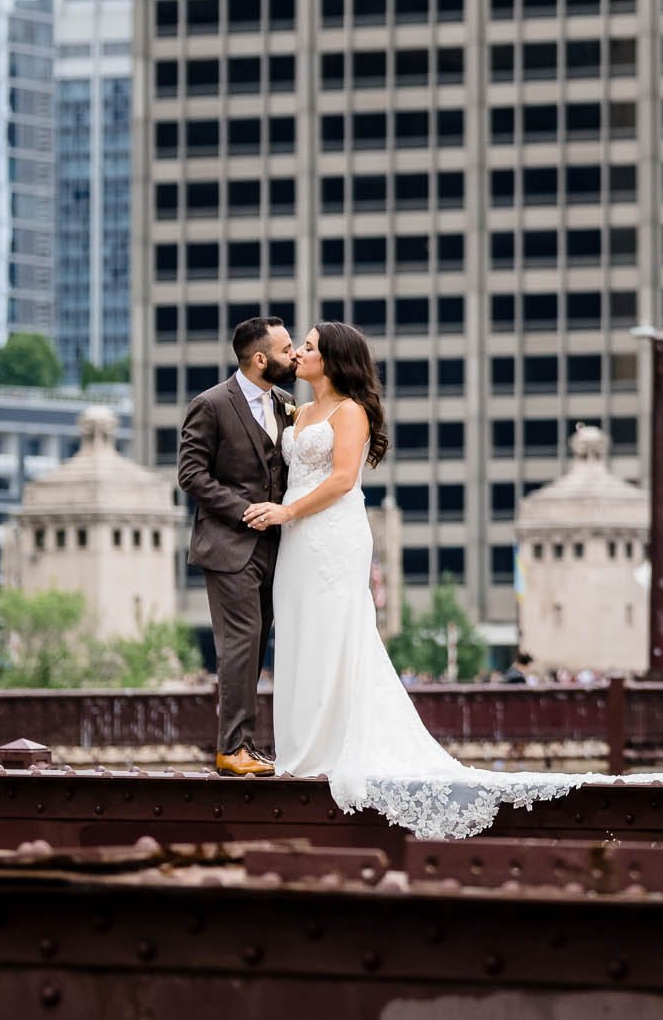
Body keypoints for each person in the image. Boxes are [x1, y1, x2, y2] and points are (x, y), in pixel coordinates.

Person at [238, 321, 588, 836]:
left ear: (332, 360)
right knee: (299, 633)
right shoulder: (298, 410)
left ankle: (332, 746)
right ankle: (301, 747)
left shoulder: (350, 411)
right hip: (296, 543)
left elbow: (340, 479)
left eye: (308, 347)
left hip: (331, 535)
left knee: (336, 632)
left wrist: (285, 514)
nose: (300, 354)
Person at [178, 316, 295, 778]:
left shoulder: (286, 403)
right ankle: (233, 749)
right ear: (260, 358)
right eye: (287, 350)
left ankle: (250, 743)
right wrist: (247, 509)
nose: (295, 357)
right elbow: (191, 475)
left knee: (258, 643)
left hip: (276, 546)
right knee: (240, 646)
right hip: (229, 544)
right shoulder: (210, 404)